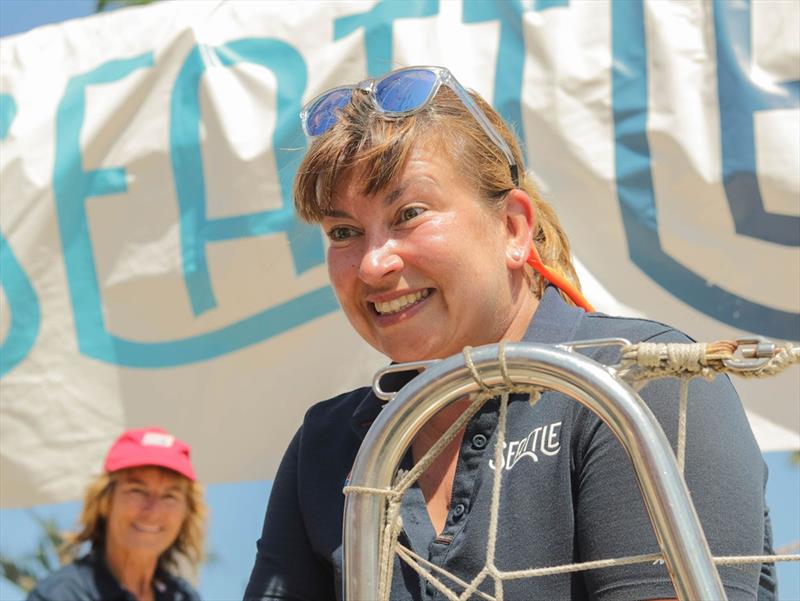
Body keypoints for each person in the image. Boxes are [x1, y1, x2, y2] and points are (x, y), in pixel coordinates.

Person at [244, 66, 775, 600]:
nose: (373, 264)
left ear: (513, 228)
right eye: (343, 232)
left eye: (408, 214)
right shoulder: (329, 442)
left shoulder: (639, 385)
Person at [28, 427, 206, 601]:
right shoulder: (59, 596)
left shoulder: (183, 596)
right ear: (105, 501)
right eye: (137, 491)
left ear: (187, 512)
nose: (153, 511)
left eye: (170, 496)